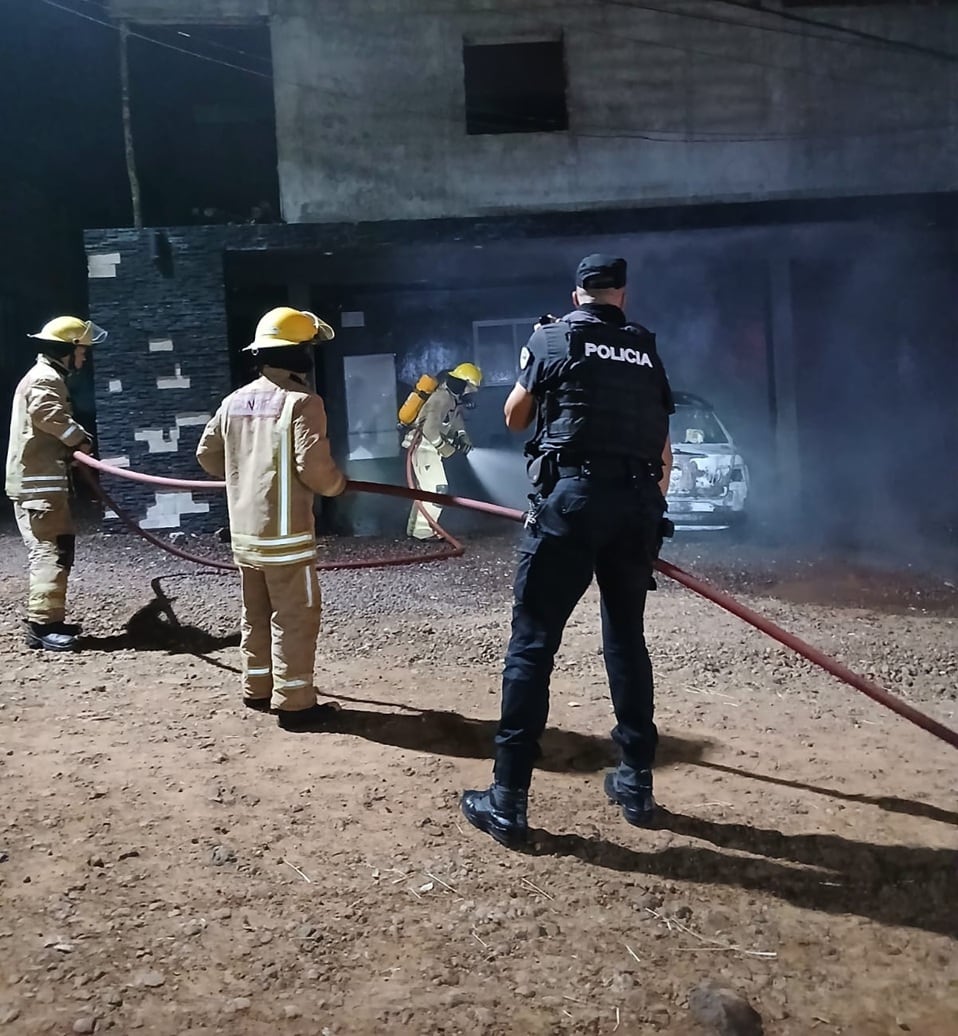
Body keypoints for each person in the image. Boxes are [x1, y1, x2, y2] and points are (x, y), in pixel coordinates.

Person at [461, 255, 675, 846]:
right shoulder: (645, 351)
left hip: (573, 503)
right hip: (636, 508)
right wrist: (642, 508)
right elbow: (664, 454)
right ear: (622, 296)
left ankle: (507, 800)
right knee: (627, 641)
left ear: (578, 294)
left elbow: (513, 418)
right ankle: (636, 782)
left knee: (532, 646)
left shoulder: (551, 337)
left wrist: (539, 357)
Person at [196, 307, 347, 731]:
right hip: (286, 538)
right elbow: (316, 471)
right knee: (294, 617)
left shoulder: (233, 401)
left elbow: (207, 456)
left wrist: (245, 467)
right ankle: (296, 704)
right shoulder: (303, 402)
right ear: (298, 355)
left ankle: (257, 688)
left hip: (245, 538)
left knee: (256, 613)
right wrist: (339, 487)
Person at [5, 316, 107, 651]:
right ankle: (42, 627)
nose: (84, 358)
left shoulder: (45, 376)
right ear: (68, 350)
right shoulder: (45, 379)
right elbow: (47, 414)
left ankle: (50, 619)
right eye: (82, 351)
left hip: (41, 484)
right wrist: (79, 439)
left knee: (57, 549)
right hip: (39, 487)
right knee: (50, 552)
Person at [402, 362, 482, 539]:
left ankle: (415, 529)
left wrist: (461, 435)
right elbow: (430, 429)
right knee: (437, 489)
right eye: (470, 388)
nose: (470, 393)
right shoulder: (441, 398)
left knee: (426, 490)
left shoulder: (450, 398)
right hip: (423, 448)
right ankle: (423, 532)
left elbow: (453, 420)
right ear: (462, 383)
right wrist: (446, 448)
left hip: (428, 449)